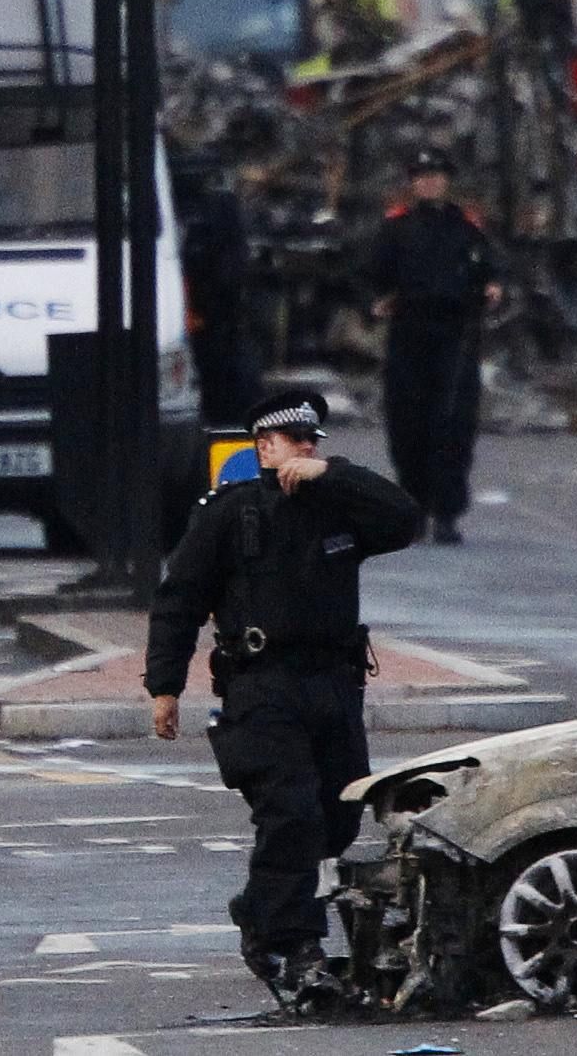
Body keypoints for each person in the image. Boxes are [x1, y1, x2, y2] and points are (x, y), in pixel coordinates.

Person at [145, 389, 417, 1003]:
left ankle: (263, 906)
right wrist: (165, 686)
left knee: (339, 815)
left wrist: (336, 476)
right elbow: (179, 599)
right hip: (262, 685)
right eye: (296, 441)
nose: (307, 449)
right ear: (264, 449)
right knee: (291, 815)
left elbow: (405, 519)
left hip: (333, 684)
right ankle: (289, 944)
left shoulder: (336, 505)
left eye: (314, 441)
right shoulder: (229, 514)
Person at [369, 147, 500, 545]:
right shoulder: (396, 229)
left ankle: (446, 512)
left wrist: (493, 288)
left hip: (456, 335)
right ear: (414, 183)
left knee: (452, 424)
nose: (430, 182)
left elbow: (490, 270)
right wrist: (377, 300)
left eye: (437, 175)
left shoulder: (467, 228)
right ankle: (414, 507)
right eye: (422, 176)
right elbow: (370, 275)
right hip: (409, 333)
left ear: (447, 181)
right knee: (408, 423)